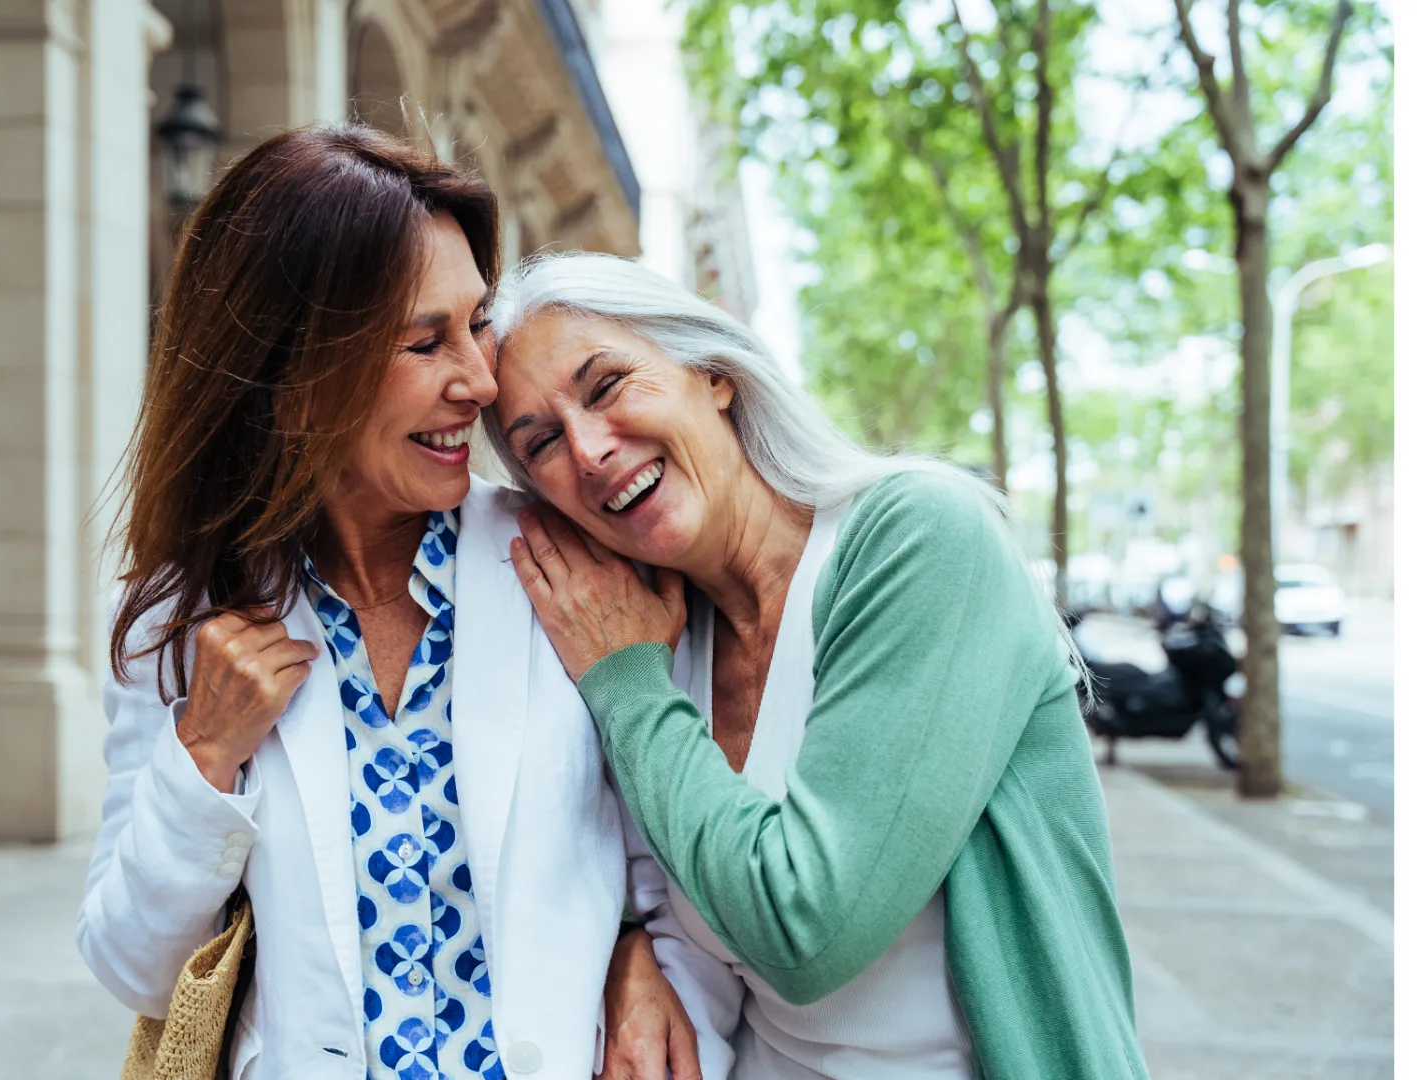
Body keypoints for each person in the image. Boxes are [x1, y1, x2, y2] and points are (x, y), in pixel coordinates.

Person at [76, 127, 710, 1080]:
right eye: (426, 342)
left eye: (476, 324)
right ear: (290, 379)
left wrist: (640, 955)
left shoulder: (567, 562)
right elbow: (132, 966)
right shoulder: (182, 617)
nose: (481, 381)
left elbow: (674, 852)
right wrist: (201, 759)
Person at [483, 251, 1151, 1080]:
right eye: (541, 441)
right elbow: (659, 901)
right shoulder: (658, 635)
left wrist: (627, 687)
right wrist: (630, 953)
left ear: (713, 374)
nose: (587, 450)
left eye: (607, 384)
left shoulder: (916, 539)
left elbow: (806, 930)